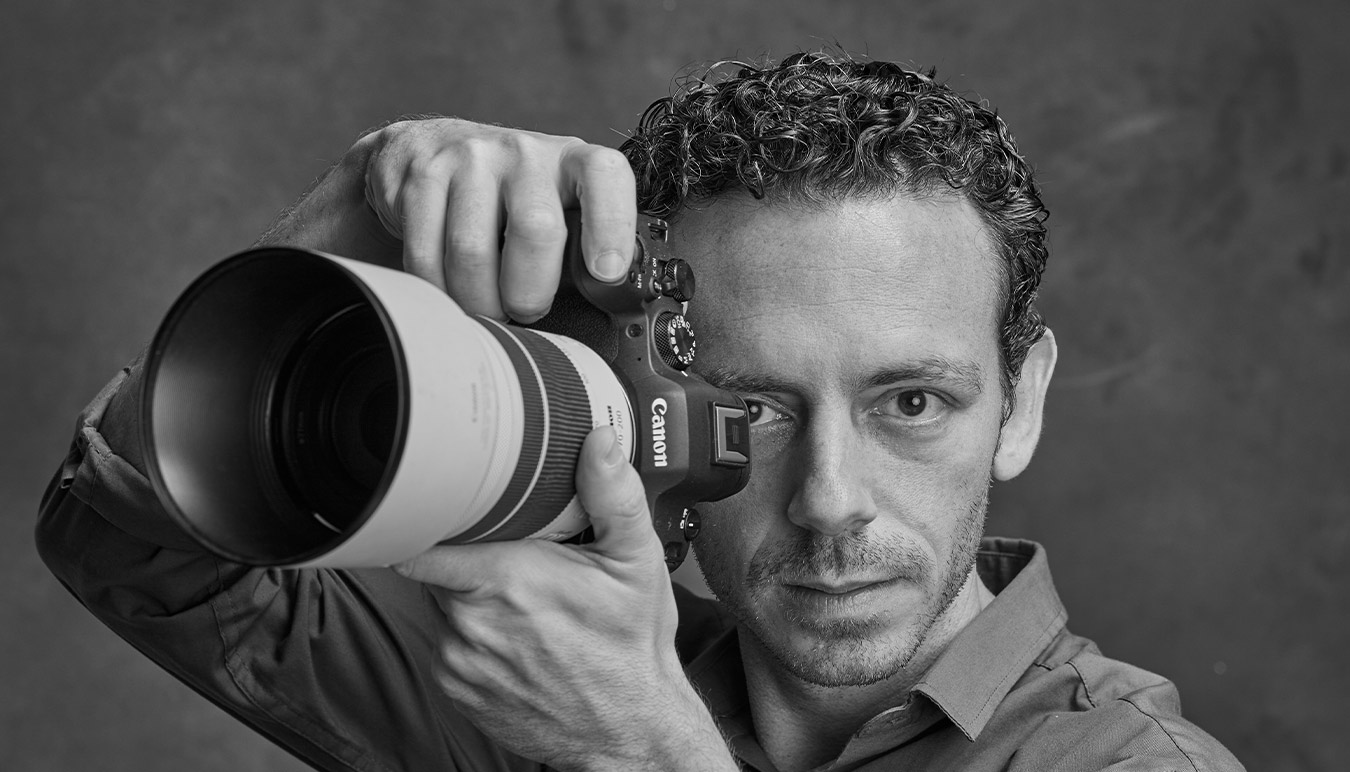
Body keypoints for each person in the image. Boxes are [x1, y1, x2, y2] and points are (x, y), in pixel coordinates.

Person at [37, 52, 1245, 771]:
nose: (830, 498)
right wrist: (346, 228)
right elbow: (140, 535)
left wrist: (642, 753)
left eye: (912, 402)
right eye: (753, 408)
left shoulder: (1128, 761)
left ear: (1020, 404)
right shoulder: (553, 668)